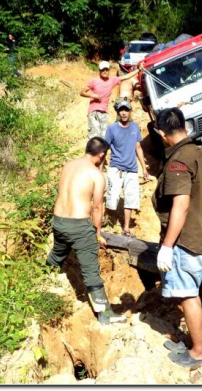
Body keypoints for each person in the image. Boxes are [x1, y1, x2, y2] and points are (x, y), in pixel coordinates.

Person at [152, 108, 202, 369]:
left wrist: (167, 247)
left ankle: (199, 352)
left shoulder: (178, 160)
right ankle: (194, 340)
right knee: (189, 291)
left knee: (187, 296)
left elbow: (180, 205)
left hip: (187, 241)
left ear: (162, 133)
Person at [45, 137, 126, 325]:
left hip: (59, 221)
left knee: (58, 253)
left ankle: (41, 278)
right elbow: (97, 208)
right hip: (79, 225)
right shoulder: (96, 175)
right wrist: (97, 234)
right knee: (90, 270)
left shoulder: (69, 165)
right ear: (101, 155)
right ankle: (105, 313)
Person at [104, 99, 150, 237]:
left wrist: (144, 168)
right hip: (116, 168)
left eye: (126, 110)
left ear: (130, 112)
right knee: (112, 197)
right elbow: (105, 148)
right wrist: (99, 167)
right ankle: (106, 223)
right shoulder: (112, 129)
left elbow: (138, 147)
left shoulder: (135, 127)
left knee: (130, 198)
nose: (124, 113)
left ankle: (126, 228)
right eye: (121, 110)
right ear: (118, 112)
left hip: (131, 169)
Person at [81, 61, 141, 139]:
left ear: (109, 70)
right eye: (103, 70)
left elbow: (126, 77)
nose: (105, 71)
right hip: (94, 111)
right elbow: (82, 92)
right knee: (94, 136)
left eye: (106, 69)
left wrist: (138, 70)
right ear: (99, 70)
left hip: (104, 112)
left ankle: (102, 151)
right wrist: (93, 95)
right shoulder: (94, 81)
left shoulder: (112, 80)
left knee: (104, 136)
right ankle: (94, 150)